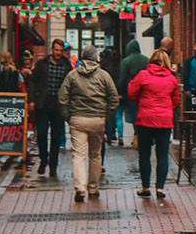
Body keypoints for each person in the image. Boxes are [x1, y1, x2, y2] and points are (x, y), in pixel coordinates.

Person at [59, 46, 119, 202]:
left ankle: (80, 188)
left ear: (82, 58)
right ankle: (93, 188)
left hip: (78, 118)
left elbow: (63, 98)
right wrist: (106, 116)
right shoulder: (104, 76)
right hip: (97, 119)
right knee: (95, 154)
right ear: (96, 59)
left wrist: (68, 117)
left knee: (78, 155)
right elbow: (113, 98)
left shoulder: (72, 75)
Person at [129, 49, 180, 199]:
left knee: (144, 155)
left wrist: (141, 103)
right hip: (164, 121)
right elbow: (176, 101)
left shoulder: (143, 75)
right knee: (162, 155)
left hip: (145, 119)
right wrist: (166, 109)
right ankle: (160, 188)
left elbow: (131, 92)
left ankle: (146, 187)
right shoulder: (171, 79)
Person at [29, 39, 73, 176]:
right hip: (43, 103)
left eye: (60, 50)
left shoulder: (66, 66)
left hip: (58, 104)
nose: (58, 53)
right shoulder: (42, 64)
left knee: (56, 136)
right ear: (52, 50)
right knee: (42, 134)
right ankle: (43, 159)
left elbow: (70, 85)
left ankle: (53, 165)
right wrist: (31, 100)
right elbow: (33, 81)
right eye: (56, 50)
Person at [118, 40, 148, 148]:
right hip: (144, 91)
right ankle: (140, 135)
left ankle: (137, 136)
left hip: (131, 92)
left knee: (134, 114)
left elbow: (122, 78)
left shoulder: (126, 61)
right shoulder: (146, 60)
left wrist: (119, 91)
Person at [181, 41, 196, 111]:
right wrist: (186, 89)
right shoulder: (189, 61)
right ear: (194, 48)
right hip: (192, 90)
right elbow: (185, 75)